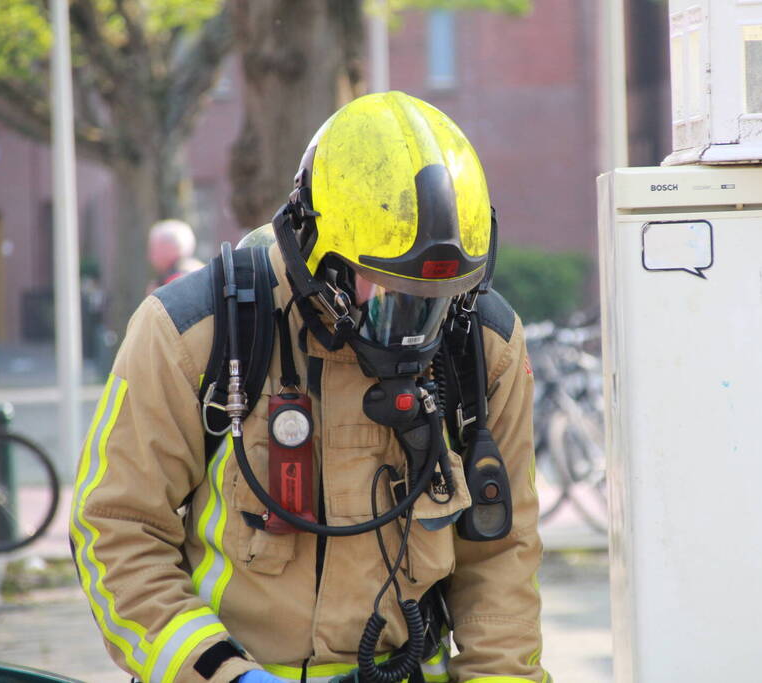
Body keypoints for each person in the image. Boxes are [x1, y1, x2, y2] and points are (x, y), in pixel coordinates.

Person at [71, 91, 548, 683]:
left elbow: (501, 558)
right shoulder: (190, 332)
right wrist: (222, 672)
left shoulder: (482, 347)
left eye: (439, 302)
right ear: (317, 258)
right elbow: (115, 529)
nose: (418, 331)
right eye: (395, 300)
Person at [146, 218, 205, 294]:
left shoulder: (177, 282)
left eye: (154, 249)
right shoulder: (198, 271)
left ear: (169, 248)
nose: (150, 256)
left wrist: (156, 297)